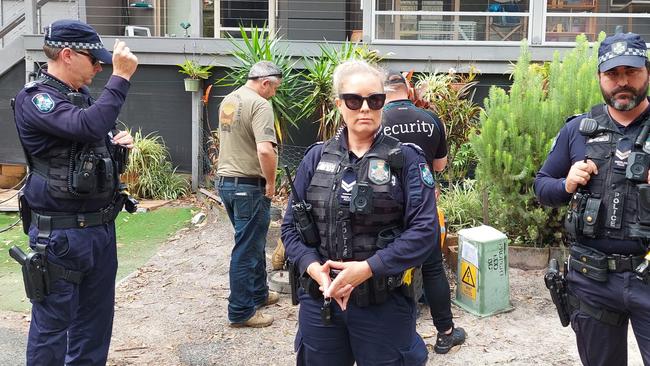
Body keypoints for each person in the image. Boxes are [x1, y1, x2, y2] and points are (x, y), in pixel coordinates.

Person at [281, 60, 438, 366]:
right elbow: (290, 228)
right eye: (354, 100)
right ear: (340, 104)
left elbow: (424, 232)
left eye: (374, 100)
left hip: (382, 305)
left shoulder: (406, 159)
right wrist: (315, 269)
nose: (365, 108)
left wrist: (367, 268)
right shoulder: (316, 158)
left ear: (383, 103)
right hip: (322, 302)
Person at [11, 19, 138, 365]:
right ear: (67, 55)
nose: (100, 66)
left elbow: (97, 135)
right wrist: (121, 77)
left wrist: (116, 146)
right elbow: (86, 126)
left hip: (99, 228)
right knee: (52, 330)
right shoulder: (36, 99)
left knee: (94, 328)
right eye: (93, 60)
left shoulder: (82, 98)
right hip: (60, 235)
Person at [534, 32, 650, 366]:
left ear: (647, 72)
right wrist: (566, 184)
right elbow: (542, 187)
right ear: (600, 77)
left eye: (632, 71)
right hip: (593, 280)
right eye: (613, 74)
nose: (622, 82)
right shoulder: (578, 130)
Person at [383, 70, 467, 354]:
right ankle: (445, 333)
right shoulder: (430, 119)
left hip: (385, 208)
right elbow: (440, 166)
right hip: (423, 205)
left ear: (383, 93)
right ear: (408, 90)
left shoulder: (375, 120)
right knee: (432, 268)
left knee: (387, 266)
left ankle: (394, 335)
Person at [216, 61, 282, 328]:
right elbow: (265, 150)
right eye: (275, 87)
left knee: (252, 242)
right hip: (248, 186)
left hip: (227, 184)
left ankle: (259, 293)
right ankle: (242, 311)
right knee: (246, 249)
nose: (275, 93)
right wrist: (270, 183)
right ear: (265, 82)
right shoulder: (260, 104)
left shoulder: (230, 100)